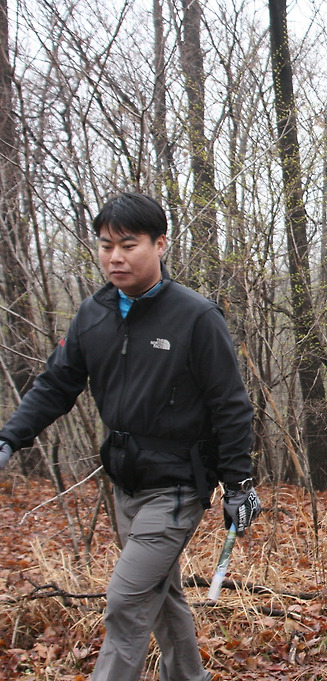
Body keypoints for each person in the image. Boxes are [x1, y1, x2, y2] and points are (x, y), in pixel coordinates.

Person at [0, 192, 261, 681]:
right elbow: (57, 385)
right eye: (105, 245)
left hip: (180, 483)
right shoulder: (93, 313)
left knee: (126, 600)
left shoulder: (195, 317)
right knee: (161, 597)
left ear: (160, 244)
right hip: (126, 481)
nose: (115, 257)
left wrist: (239, 483)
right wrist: (10, 438)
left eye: (128, 244)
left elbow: (231, 404)